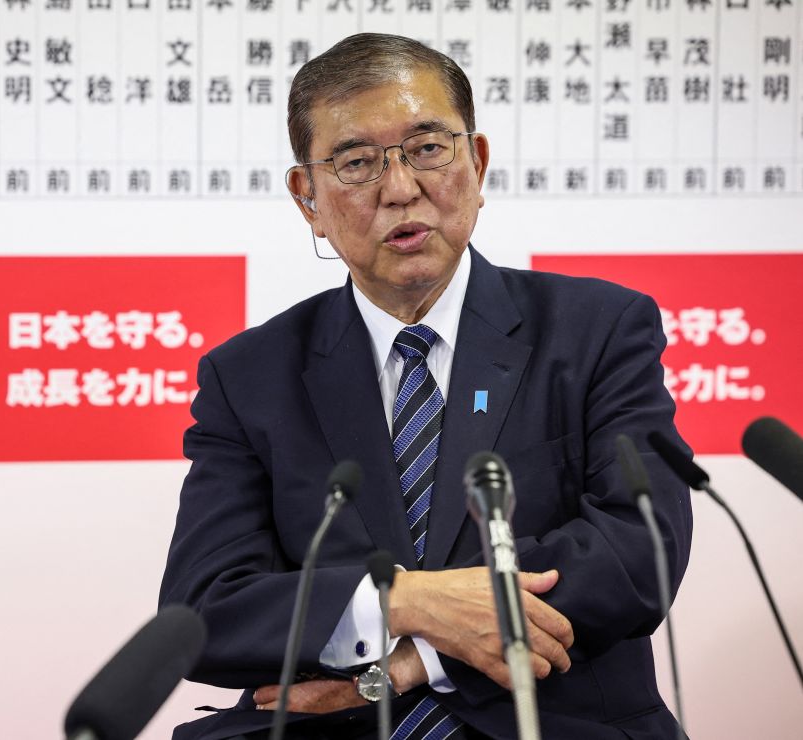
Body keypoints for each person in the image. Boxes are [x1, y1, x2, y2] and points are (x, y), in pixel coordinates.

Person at [159, 33, 692, 740]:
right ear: (307, 197)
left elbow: (638, 549)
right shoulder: (250, 376)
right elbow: (204, 613)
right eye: (355, 163)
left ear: (476, 162)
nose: (401, 188)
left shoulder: (596, 328)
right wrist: (399, 600)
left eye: (428, 149)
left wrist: (413, 658)